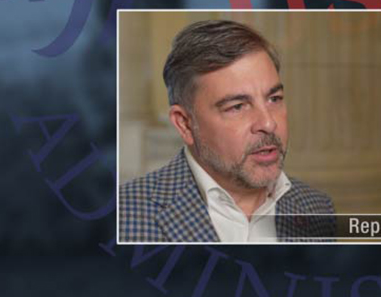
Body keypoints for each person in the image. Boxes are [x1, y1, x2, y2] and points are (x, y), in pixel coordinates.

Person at [118, 20, 336, 243]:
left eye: (274, 99)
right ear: (184, 123)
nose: (268, 123)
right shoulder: (125, 217)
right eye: (237, 106)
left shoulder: (318, 208)